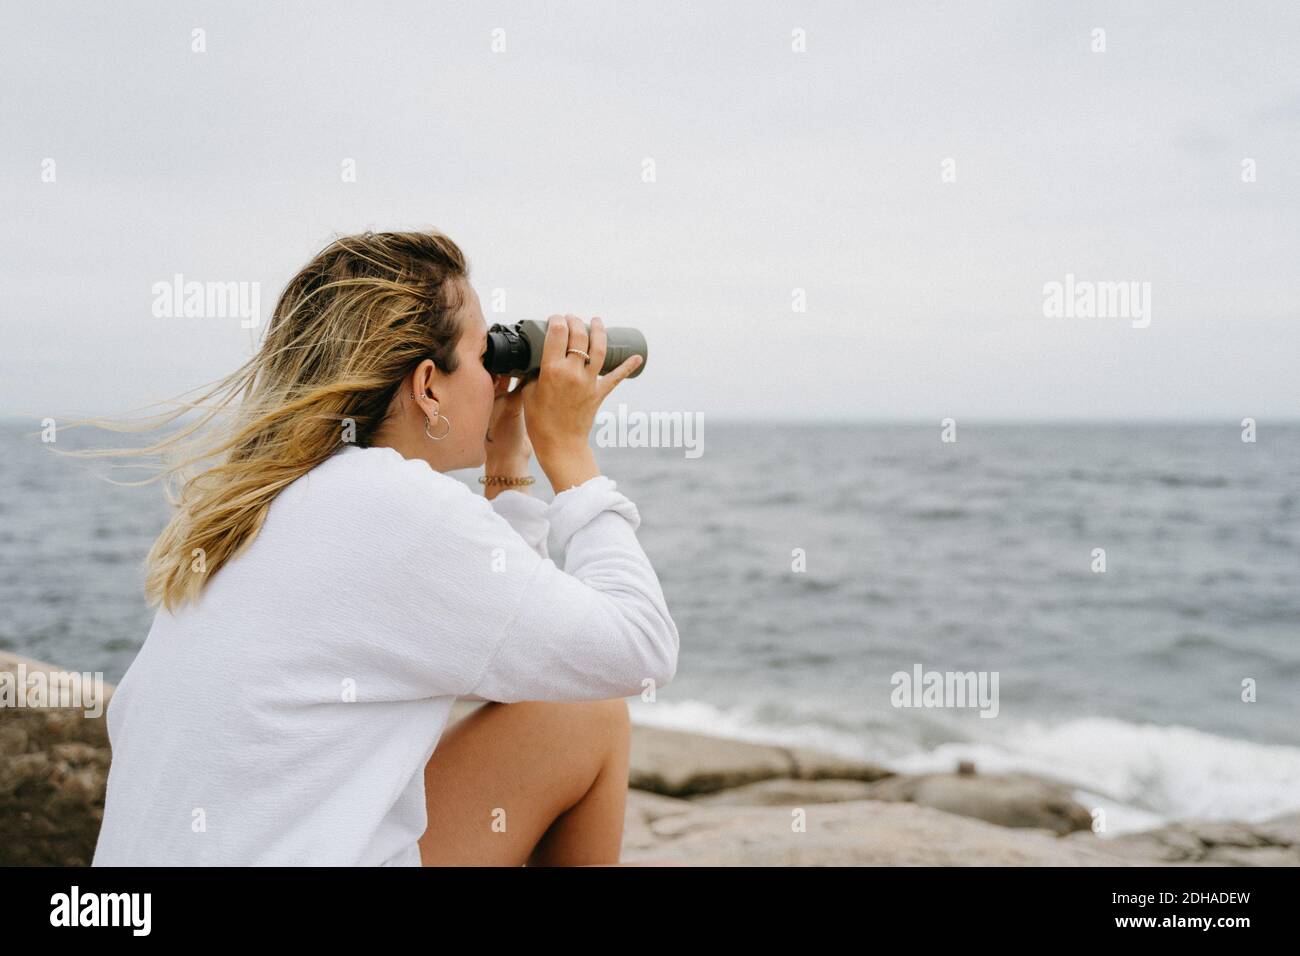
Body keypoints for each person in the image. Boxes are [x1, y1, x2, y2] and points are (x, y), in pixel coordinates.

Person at [85, 230, 679, 866]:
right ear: (428, 385)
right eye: (487, 356)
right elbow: (641, 649)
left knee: (570, 712)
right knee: (592, 715)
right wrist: (571, 455)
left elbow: (523, 654)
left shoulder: (255, 504)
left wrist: (507, 465)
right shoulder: (398, 507)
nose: (498, 379)